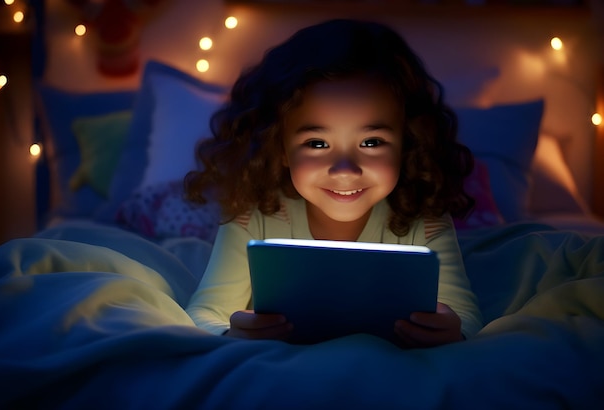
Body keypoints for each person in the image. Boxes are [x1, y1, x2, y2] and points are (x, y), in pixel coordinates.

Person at [185, 18, 483, 348]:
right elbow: (205, 314)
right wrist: (230, 333)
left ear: (408, 143)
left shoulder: (424, 220)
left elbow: (465, 317)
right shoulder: (251, 217)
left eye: (371, 143)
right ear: (280, 147)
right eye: (317, 144)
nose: (345, 170)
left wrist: (452, 330)